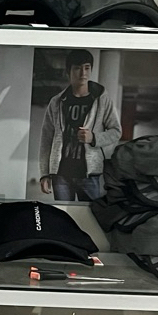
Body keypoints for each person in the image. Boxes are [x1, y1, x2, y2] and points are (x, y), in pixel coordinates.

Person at [39, 49, 122, 202]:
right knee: (63, 215)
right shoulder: (57, 102)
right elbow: (46, 139)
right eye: (77, 68)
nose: (83, 73)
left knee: (91, 214)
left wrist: (94, 138)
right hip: (61, 174)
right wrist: (44, 174)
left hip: (89, 174)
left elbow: (116, 131)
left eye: (87, 68)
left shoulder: (102, 100)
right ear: (68, 71)